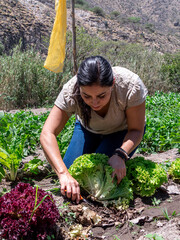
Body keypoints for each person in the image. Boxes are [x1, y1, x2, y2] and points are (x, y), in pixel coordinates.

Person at [40, 56, 148, 204]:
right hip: (88, 129)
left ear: (113, 84)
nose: (94, 102)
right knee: (73, 173)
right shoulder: (70, 90)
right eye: (86, 96)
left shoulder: (130, 85)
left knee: (99, 174)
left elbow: (136, 129)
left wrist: (121, 154)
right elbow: (47, 133)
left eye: (101, 95)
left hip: (122, 133)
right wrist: (63, 173)